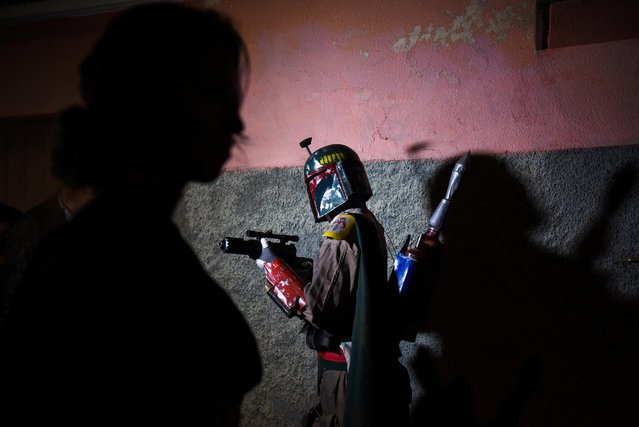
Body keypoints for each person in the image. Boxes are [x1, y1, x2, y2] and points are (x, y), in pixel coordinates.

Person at [2, 3, 261, 426]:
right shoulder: (99, 258)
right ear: (150, 100)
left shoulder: (137, 238)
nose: (234, 120)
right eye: (213, 92)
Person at [298, 143, 410, 426]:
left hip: (347, 367)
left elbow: (320, 309)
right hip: (369, 360)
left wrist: (281, 277)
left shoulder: (343, 227)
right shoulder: (367, 220)